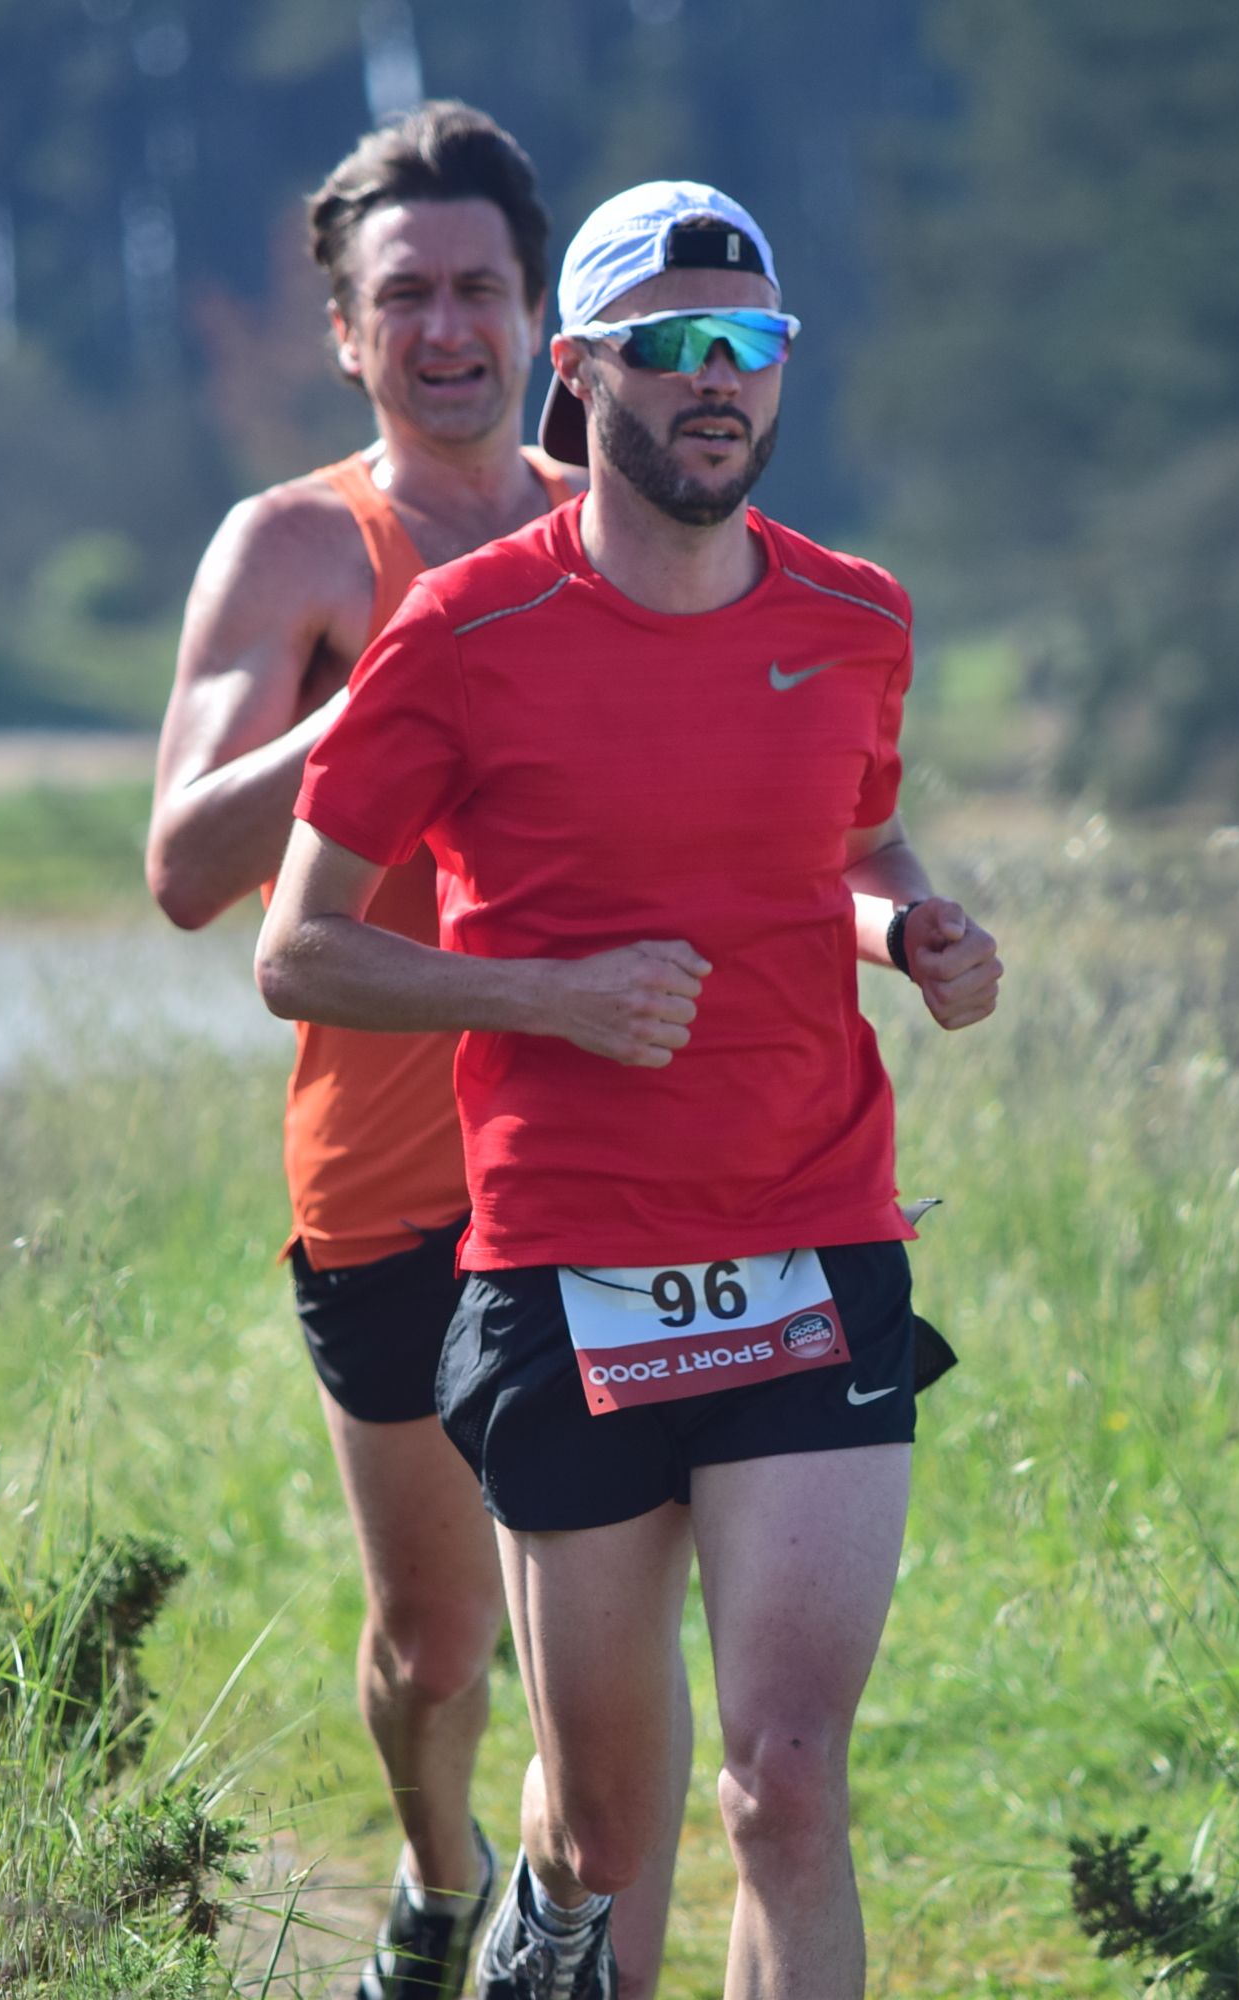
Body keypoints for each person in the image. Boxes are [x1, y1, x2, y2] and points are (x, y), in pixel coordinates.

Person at [258, 181, 1003, 2000]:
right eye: (670, 347)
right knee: (603, 1827)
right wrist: (548, 999)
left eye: (748, 344)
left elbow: (853, 843)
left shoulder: (855, 616)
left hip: (813, 1235)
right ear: (583, 373)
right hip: (568, 1268)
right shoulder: (464, 630)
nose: (714, 378)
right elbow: (298, 951)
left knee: (786, 1788)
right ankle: (547, 1932)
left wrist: (910, 930)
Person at [143, 105, 687, 2000]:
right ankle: (440, 1878)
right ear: (344, 332)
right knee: (440, 1648)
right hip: (386, 1180)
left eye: (478, 288)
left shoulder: (612, 517)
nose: (446, 327)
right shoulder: (295, 546)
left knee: (599, 1646)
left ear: (543, 316)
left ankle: (575, 1943)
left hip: (600, 1160)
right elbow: (184, 868)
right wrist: (398, 678)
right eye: (404, 296)